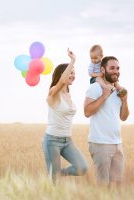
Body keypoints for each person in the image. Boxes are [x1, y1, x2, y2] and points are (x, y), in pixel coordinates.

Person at [42, 48, 88, 183]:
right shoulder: (53, 93)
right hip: (52, 140)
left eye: (74, 73)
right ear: (62, 75)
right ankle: (53, 177)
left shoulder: (68, 95)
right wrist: (73, 60)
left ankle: (56, 174)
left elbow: (64, 82)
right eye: (70, 72)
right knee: (54, 184)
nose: (73, 75)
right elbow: (61, 82)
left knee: (82, 167)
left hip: (67, 140)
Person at [84, 56, 130, 187]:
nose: (116, 71)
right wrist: (104, 95)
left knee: (116, 185)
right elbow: (87, 112)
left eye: (117, 68)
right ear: (103, 70)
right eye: (112, 68)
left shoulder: (119, 91)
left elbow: (124, 117)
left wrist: (125, 100)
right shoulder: (95, 88)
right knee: (103, 186)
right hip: (100, 143)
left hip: (117, 144)